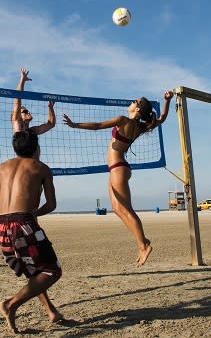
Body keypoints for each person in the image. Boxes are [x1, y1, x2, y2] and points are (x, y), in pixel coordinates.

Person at [62, 91, 173, 267]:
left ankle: (143, 245)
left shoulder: (124, 120)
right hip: (118, 167)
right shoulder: (140, 126)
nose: (130, 101)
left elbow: (98, 125)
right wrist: (167, 101)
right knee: (116, 208)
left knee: (127, 209)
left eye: (134, 101)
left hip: (118, 167)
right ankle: (142, 240)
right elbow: (162, 118)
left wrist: (75, 125)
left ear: (137, 109)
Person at [0, 130, 63, 333]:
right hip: (22, 223)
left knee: (32, 270)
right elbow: (51, 204)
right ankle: (11, 304)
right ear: (36, 148)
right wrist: (33, 213)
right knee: (52, 271)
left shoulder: (2, 167)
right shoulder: (41, 168)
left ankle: (51, 312)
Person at [12, 67, 55, 136]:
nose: (28, 112)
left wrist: (50, 108)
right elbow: (17, 98)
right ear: (19, 115)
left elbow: (51, 124)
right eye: (25, 111)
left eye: (27, 111)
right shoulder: (17, 127)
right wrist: (22, 80)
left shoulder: (33, 131)